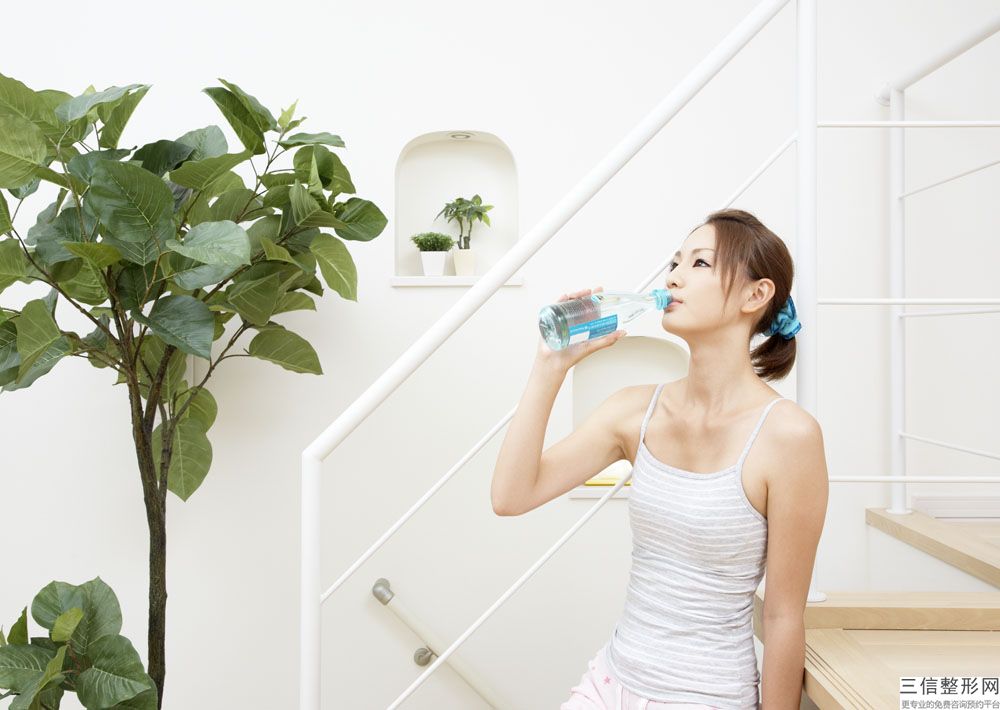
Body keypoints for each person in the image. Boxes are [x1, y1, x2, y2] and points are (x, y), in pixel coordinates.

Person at [491, 208, 829, 709]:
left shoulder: (788, 437)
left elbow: (782, 617)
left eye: (699, 263)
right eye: (674, 262)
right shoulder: (634, 410)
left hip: (707, 696)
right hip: (610, 684)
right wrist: (549, 366)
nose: (672, 276)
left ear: (756, 295)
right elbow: (511, 496)